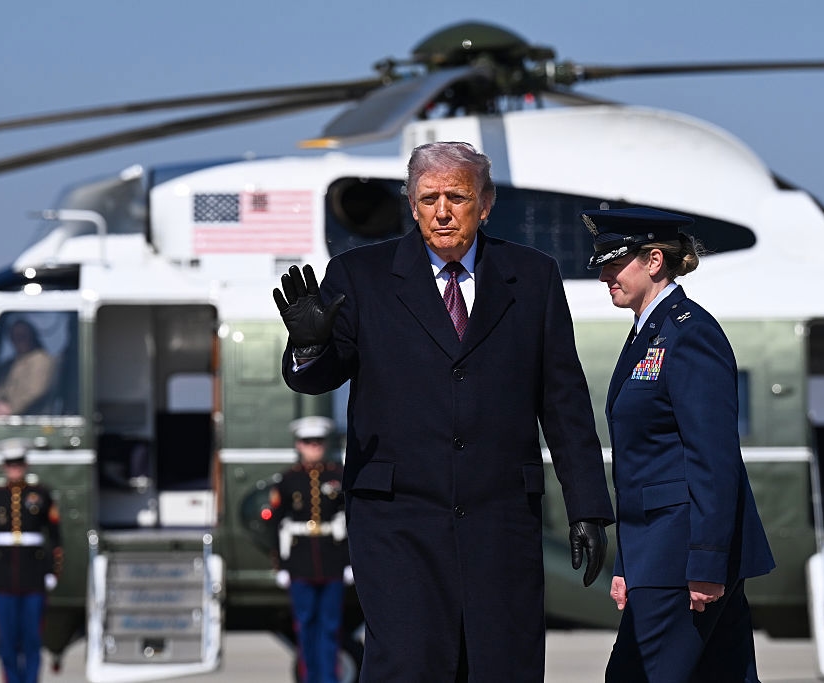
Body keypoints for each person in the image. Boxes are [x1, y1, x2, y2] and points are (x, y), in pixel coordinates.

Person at [272, 141, 615, 681]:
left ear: (486, 202)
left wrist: (588, 507)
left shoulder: (533, 276)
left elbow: (564, 401)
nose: (442, 210)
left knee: (503, 665)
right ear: (411, 205)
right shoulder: (359, 276)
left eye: (457, 195)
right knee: (409, 666)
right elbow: (315, 378)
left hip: (501, 519)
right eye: (428, 197)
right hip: (396, 523)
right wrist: (310, 346)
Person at [580, 207, 776, 682]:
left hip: (683, 556)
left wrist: (706, 562)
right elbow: (643, 467)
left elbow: (713, 458)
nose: (605, 273)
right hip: (660, 553)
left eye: (616, 261)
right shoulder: (649, 332)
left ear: (653, 261)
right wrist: (628, 565)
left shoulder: (690, 334)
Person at [267, 416, 353, 683]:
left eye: (317, 442)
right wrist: (281, 566)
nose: (313, 447)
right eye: (307, 442)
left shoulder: (337, 476)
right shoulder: (287, 480)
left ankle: (329, 679)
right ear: (298, 445)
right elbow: (275, 523)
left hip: (332, 560)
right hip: (300, 562)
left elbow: (351, 519)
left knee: (330, 628)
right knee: (305, 627)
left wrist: (351, 561)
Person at [0, 438, 63, 683]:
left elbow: (55, 539)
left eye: (18, 463)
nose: (15, 468)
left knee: (32, 639)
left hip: (33, 574)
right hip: (3, 576)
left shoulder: (41, 495)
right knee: (7, 639)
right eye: (10, 464)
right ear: (4, 467)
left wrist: (52, 572)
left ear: (26, 465)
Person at [0, 319, 55, 416]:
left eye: (23, 336)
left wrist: (10, 410)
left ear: (32, 337)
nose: (19, 340)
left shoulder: (41, 360)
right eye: (15, 337)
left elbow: (36, 392)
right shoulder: (8, 364)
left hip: (28, 420)